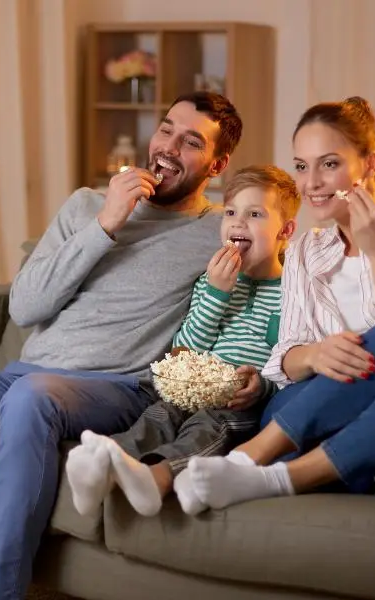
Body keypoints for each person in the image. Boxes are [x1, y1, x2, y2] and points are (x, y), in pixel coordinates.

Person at [0, 91, 244, 600]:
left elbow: (283, 272)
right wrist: (106, 224)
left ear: (217, 163)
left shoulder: (218, 232)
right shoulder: (88, 205)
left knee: (32, 397)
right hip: (25, 375)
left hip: (117, 390)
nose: (168, 147)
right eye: (165, 129)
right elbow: (25, 306)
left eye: (191, 141)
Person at [179, 97, 375, 511]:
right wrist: (315, 354)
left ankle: (277, 474)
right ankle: (259, 453)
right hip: (305, 409)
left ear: (369, 164)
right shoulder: (302, 249)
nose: (311, 182)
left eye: (329, 164)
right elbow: (284, 359)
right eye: (301, 165)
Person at [64, 165, 299, 518]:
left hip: (240, 407)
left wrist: (261, 388)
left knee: (208, 427)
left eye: (255, 215)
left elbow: (291, 364)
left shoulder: (294, 294)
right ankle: (103, 463)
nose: (238, 223)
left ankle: (156, 476)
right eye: (231, 212)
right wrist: (217, 295)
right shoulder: (211, 283)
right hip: (194, 390)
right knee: (158, 415)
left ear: (286, 230)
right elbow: (184, 352)